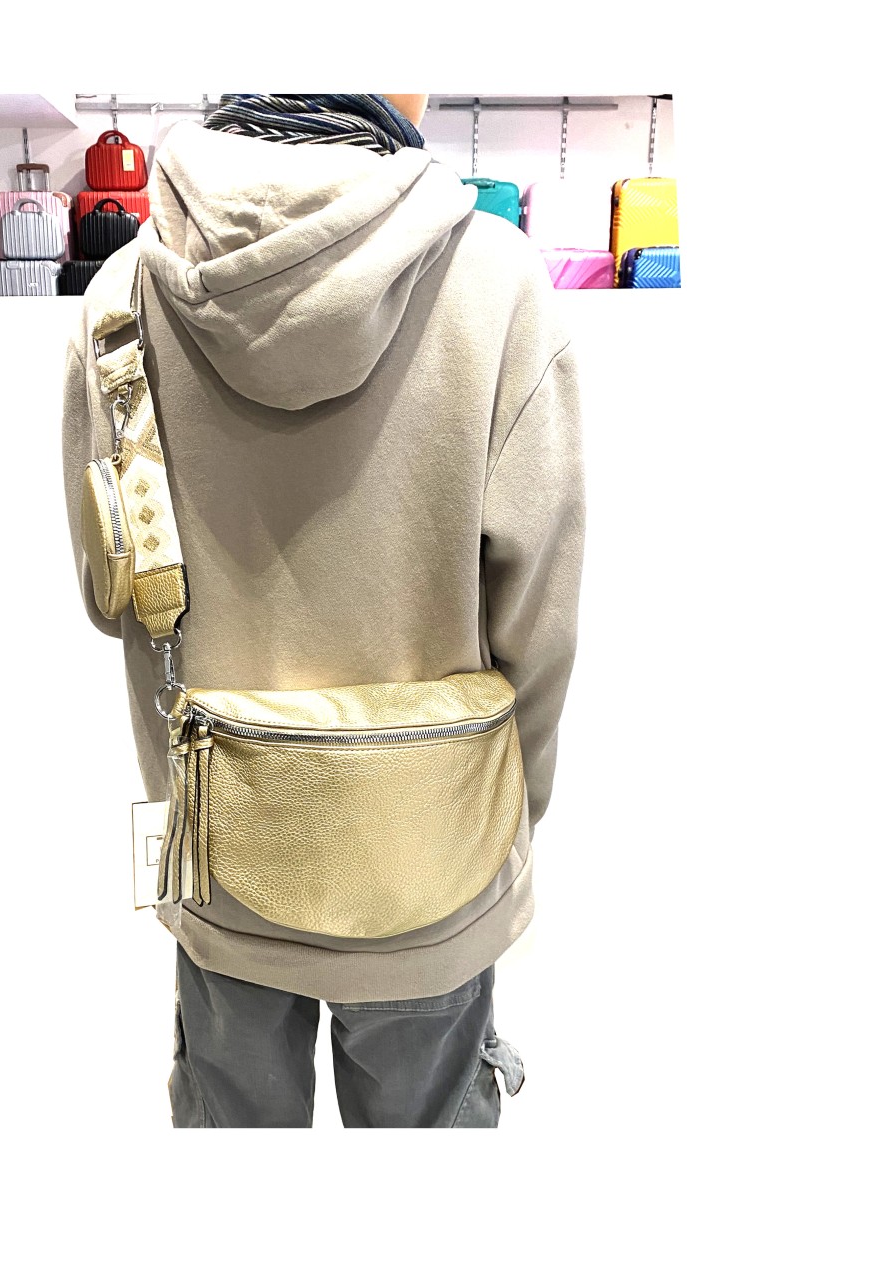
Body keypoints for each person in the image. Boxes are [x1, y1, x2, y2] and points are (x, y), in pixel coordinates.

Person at [61, 92, 585, 1127]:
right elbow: (541, 616)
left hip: (222, 855)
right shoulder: (497, 280)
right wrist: (500, 823)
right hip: (432, 855)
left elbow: (107, 591)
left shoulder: (124, 293)